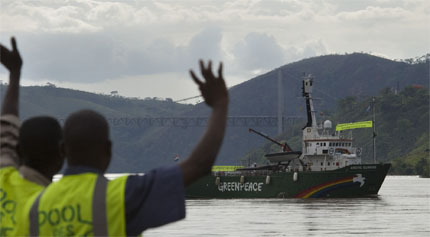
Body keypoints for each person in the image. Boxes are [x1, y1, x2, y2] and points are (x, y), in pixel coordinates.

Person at [17, 60, 229, 236]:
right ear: (109, 150)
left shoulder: (32, 207)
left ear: (63, 151)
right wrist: (220, 105)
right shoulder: (123, 195)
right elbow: (199, 165)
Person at [0, 37, 64, 236]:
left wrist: (14, 74)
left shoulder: (4, 178)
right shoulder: (59, 210)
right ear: (62, 155)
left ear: (18, 151)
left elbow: (7, 126)